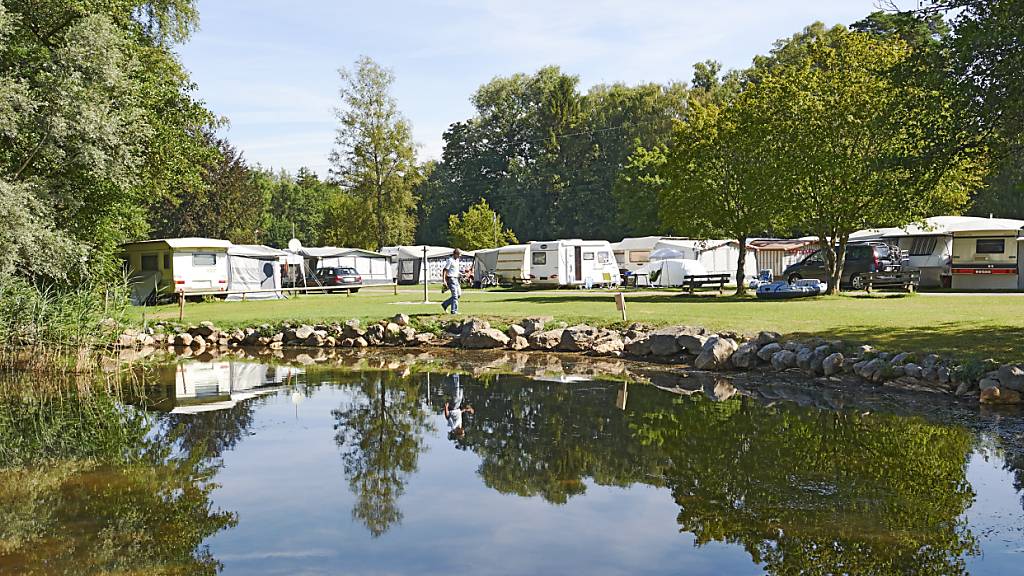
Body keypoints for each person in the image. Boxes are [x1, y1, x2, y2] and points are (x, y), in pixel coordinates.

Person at [443, 374, 474, 438]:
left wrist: (446, 407)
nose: (463, 430)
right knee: (461, 391)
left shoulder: (453, 426)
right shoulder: (460, 425)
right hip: (458, 407)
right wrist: (467, 410)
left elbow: (447, 417)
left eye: (462, 432)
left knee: (456, 391)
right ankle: (449, 377)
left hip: (453, 407)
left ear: (458, 432)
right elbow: (459, 414)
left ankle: (455, 375)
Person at [441, 248, 462, 314]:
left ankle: (445, 304)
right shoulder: (450, 260)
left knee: (458, 294)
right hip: (451, 279)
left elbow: (455, 270)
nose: (460, 256)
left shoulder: (457, 260)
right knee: (455, 295)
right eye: (459, 254)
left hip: (456, 278)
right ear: (455, 254)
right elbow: (445, 270)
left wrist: (462, 274)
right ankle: (454, 311)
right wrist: (444, 280)